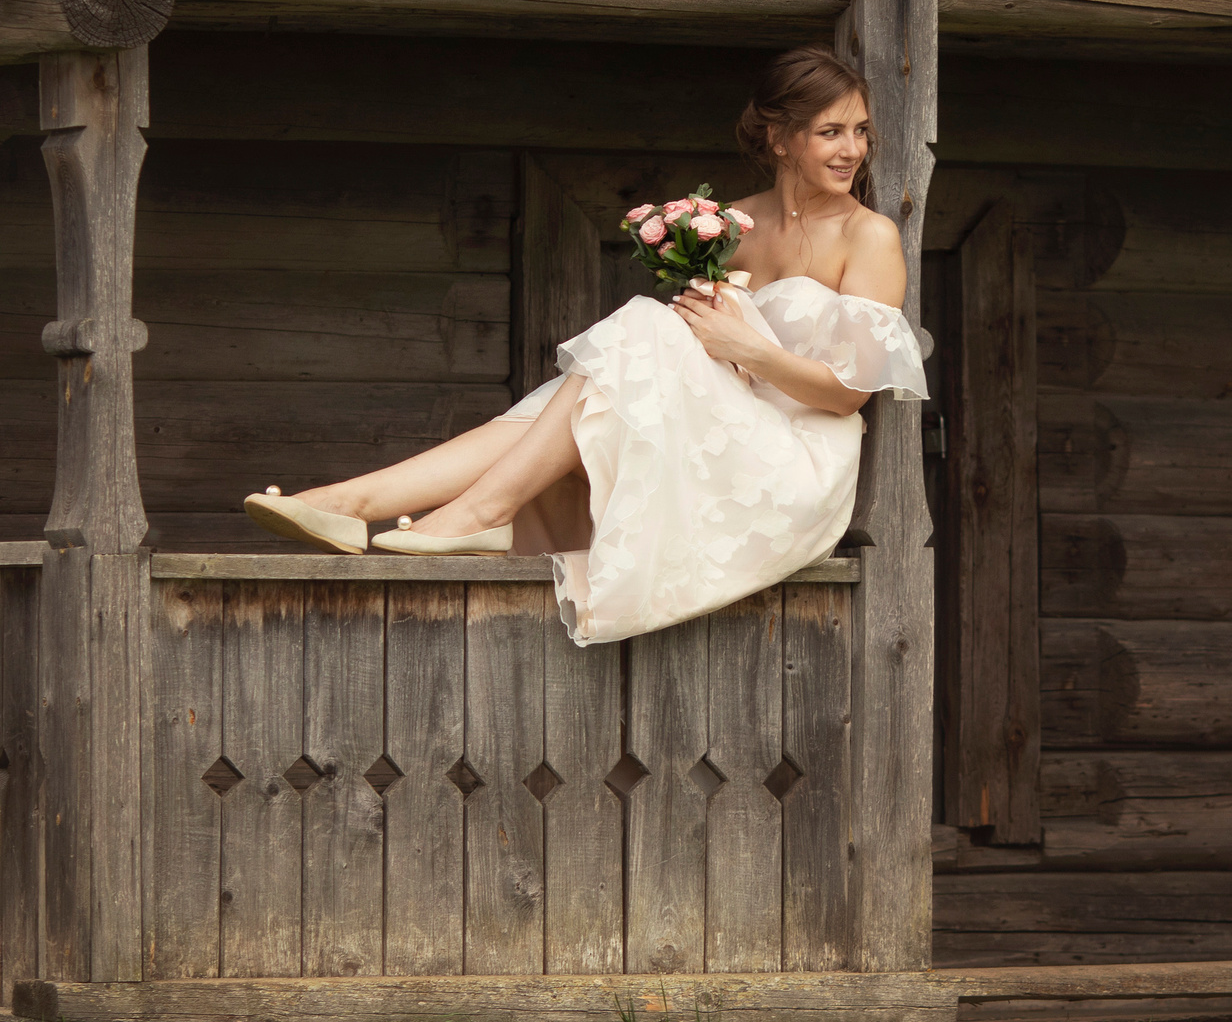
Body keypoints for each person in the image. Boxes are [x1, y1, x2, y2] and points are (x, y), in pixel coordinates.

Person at [241, 45, 927, 646]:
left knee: (638, 331)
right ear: (780, 137)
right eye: (831, 131)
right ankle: (349, 503)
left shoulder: (868, 237)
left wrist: (750, 349)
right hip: (723, 431)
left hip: (794, 469)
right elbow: (696, 354)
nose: (853, 149)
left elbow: (852, 392)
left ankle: (464, 512)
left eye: (861, 131)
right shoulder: (735, 226)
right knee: (602, 377)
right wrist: (714, 338)